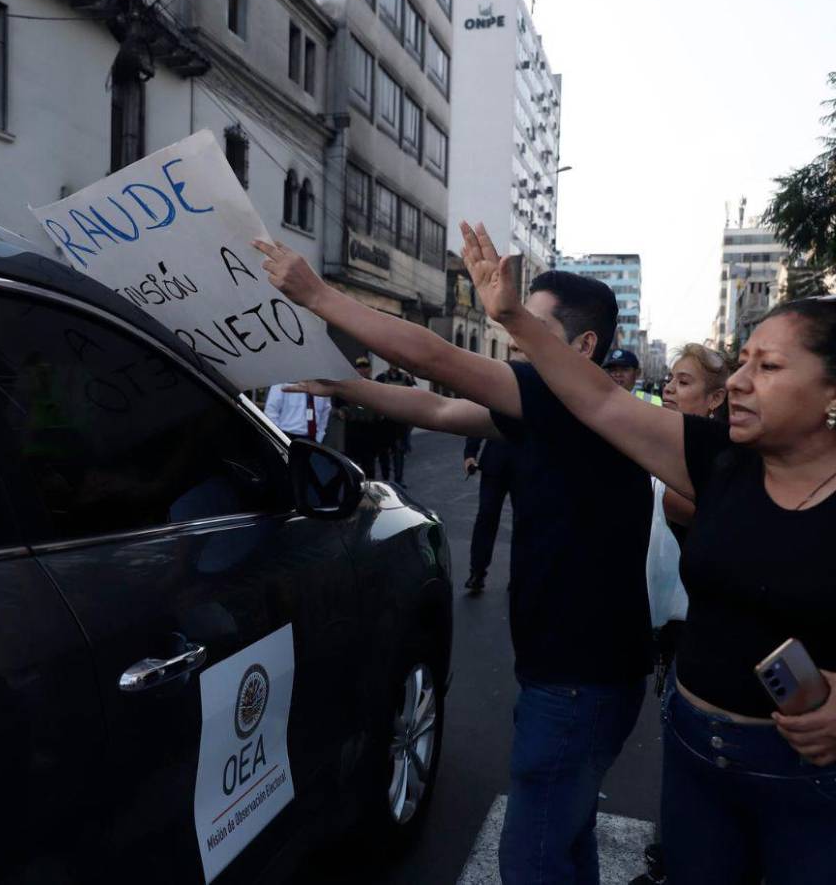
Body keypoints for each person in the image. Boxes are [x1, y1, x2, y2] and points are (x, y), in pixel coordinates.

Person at [450, 221, 836, 885]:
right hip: (697, 769)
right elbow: (596, 396)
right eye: (741, 360)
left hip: (832, 788)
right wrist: (512, 314)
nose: (738, 381)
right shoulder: (715, 461)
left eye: (767, 367)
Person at [253, 238, 652, 885]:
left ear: (583, 349)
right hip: (573, 671)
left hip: (581, 677)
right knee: (566, 839)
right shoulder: (562, 413)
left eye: (529, 327)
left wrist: (320, 296)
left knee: (533, 855)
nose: (515, 342)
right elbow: (440, 407)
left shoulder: (582, 409)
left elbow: (439, 360)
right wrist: (344, 385)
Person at [635, 344, 730, 885]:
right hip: (666, 618)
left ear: (716, 398)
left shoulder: (715, 456)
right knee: (678, 735)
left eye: (685, 382)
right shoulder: (662, 440)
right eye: (670, 378)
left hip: (697, 622)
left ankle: (681, 857)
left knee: (693, 743)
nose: (670, 388)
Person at [462, 432, 515, 593]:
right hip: (494, 462)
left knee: (524, 521)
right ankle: (477, 572)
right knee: (486, 517)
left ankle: (519, 575)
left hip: (526, 463)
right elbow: (482, 412)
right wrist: (470, 453)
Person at [338, 357, 384, 477]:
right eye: (359, 367)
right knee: (351, 466)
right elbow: (338, 405)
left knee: (369, 466)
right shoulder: (347, 386)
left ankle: (369, 490)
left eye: (365, 367)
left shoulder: (376, 387)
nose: (362, 370)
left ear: (370, 369)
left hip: (370, 431)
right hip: (353, 430)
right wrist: (342, 411)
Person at [375, 362, 417, 485]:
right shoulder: (381, 377)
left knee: (399, 451)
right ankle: (385, 479)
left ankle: (399, 479)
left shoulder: (406, 378)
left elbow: (413, 395)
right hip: (385, 421)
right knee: (384, 452)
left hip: (399, 421)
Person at [264, 382, 330, 442]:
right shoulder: (283, 380)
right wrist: (278, 437)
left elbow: (325, 411)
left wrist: (319, 437)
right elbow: (271, 411)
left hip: (312, 438)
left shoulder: (321, 383)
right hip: (286, 435)